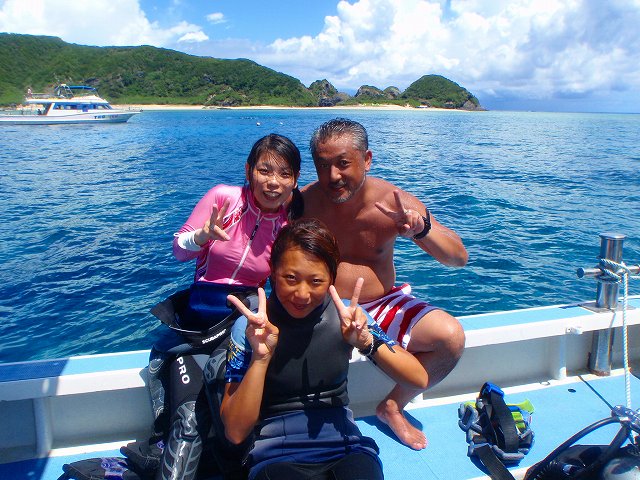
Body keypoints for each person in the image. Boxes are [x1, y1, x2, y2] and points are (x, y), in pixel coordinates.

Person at [302, 118, 468, 451]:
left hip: (381, 303)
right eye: (322, 165)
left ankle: (392, 406)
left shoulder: (394, 202)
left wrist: (421, 231)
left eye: (343, 163)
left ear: (366, 160)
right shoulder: (303, 202)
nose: (332, 176)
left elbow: (457, 257)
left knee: (450, 338)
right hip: (322, 305)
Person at [145, 133, 302, 480]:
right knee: (188, 417)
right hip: (197, 320)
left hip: (240, 323)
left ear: (295, 180)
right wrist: (201, 237)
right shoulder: (224, 199)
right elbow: (179, 250)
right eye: (264, 170)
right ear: (248, 171)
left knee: (230, 410)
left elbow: (290, 283)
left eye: (285, 174)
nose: (273, 182)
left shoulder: (289, 224)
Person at [220, 218, 427, 480]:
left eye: (316, 281)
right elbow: (235, 432)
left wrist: (367, 343)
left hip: (346, 446)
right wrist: (260, 358)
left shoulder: (348, 318)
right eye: (290, 278)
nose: (302, 294)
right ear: (273, 272)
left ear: (331, 279)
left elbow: (418, 379)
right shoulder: (250, 328)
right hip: (275, 453)